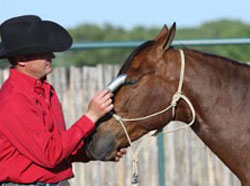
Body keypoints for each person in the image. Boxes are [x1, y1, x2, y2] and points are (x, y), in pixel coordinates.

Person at [0, 15, 126, 186]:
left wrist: (93, 152)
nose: (52, 56)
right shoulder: (13, 100)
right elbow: (50, 155)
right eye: (43, 52)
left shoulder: (45, 91)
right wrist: (91, 116)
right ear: (21, 60)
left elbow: (60, 147)